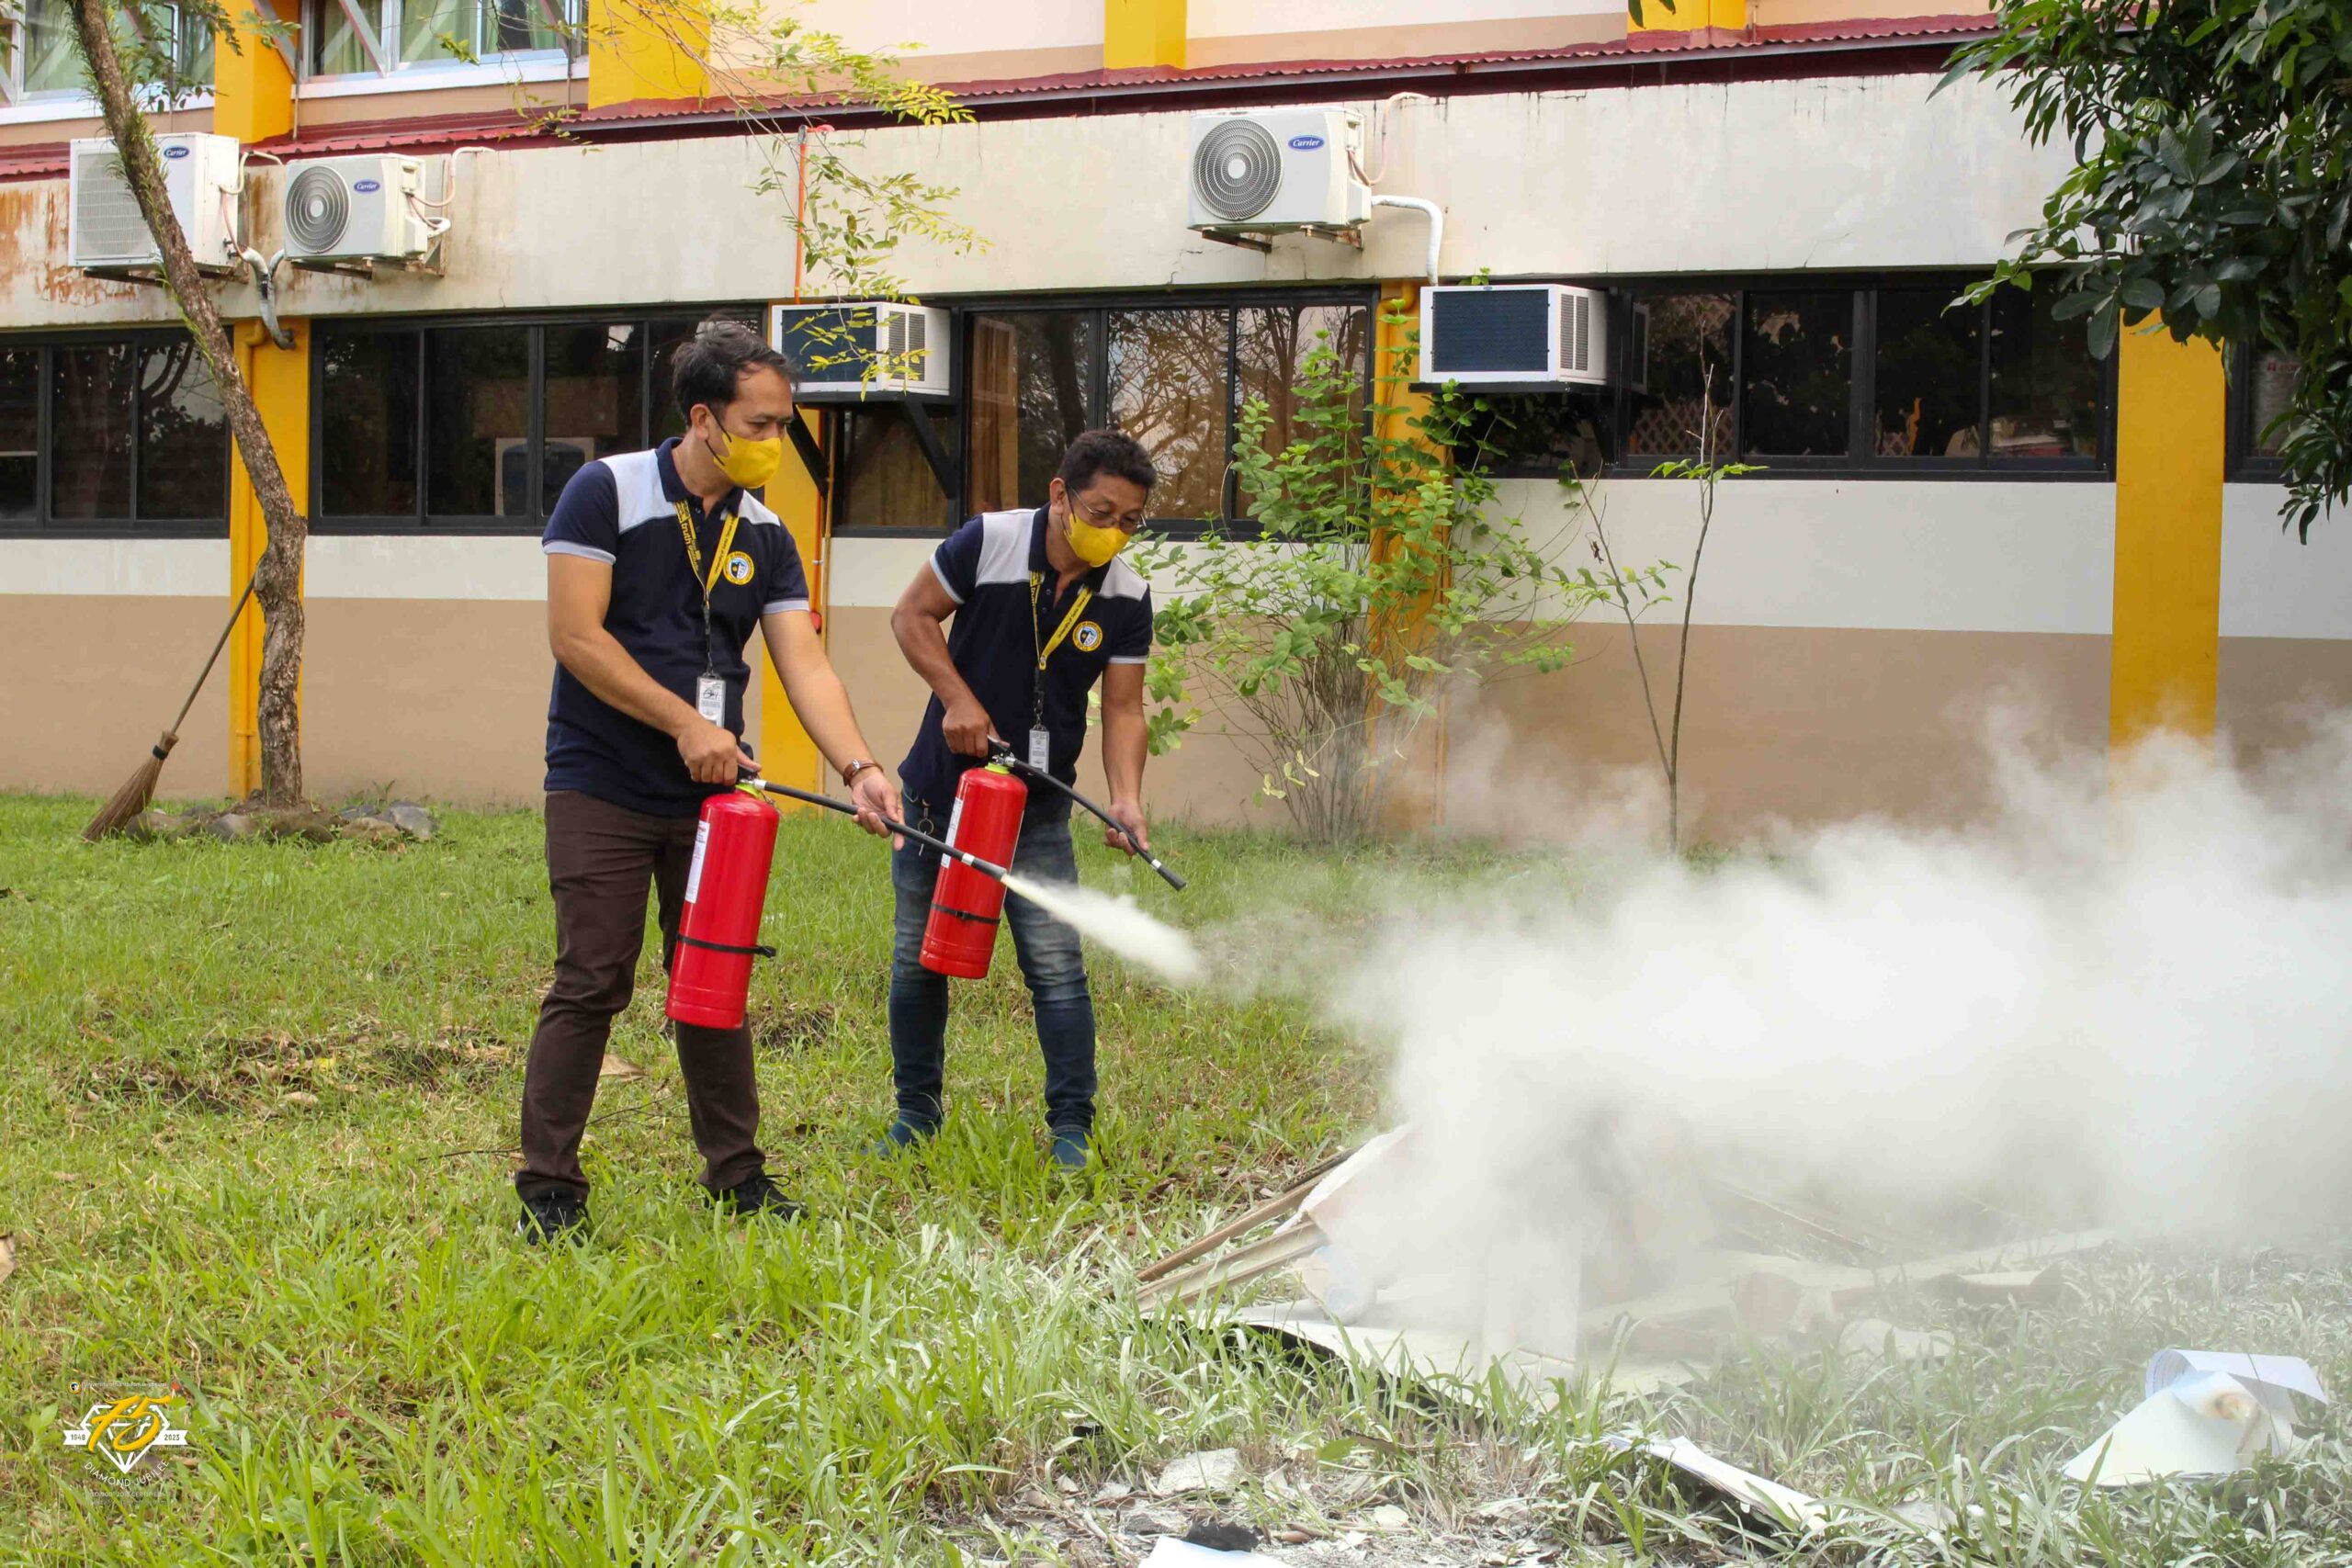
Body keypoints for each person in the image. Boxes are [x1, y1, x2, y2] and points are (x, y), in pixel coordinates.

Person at [517, 318, 901, 1244]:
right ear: (704, 419)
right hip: (602, 782)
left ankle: (737, 1176)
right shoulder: (605, 490)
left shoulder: (764, 531)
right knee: (592, 978)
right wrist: (686, 722)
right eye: (760, 424)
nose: (777, 442)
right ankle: (549, 1189)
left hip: (713, 801)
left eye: (784, 425)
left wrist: (860, 766)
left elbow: (805, 665)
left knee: (714, 977)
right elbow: (576, 636)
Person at [885, 429, 1159, 1169]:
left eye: (1130, 521)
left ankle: (1071, 1126)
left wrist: (1127, 798)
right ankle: (916, 1112)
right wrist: (957, 698)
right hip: (941, 798)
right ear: (1060, 495)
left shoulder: (1127, 595)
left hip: (1036, 812)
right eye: (1102, 513)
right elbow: (911, 616)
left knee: (1057, 968)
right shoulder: (990, 542)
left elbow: (1124, 707)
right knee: (917, 960)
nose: (1113, 532)